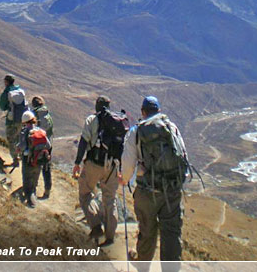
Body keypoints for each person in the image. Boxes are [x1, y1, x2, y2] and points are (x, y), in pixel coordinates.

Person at [120, 96, 188, 266]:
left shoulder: (136, 132)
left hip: (147, 191)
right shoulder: (171, 128)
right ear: (159, 110)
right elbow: (183, 158)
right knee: (171, 233)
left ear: (143, 112)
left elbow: (128, 163)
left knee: (147, 230)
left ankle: (143, 265)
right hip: (171, 191)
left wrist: (124, 179)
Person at [72, 96, 129, 247]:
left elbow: (84, 141)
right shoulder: (117, 122)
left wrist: (77, 163)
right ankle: (110, 237)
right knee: (110, 199)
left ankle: (96, 226)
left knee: (85, 193)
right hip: (112, 166)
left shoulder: (92, 120)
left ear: (97, 106)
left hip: (94, 163)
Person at [17, 110, 51, 208]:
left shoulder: (24, 132)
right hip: (39, 160)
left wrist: (18, 147)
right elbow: (48, 145)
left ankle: (31, 202)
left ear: (24, 121)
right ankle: (33, 195)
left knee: (27, 182)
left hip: (28, 160)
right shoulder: (40, 131)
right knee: (34, 181)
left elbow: (22, 147)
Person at [0, 74, 27, 167]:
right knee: (20, 138)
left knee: (11, 139)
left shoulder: (6, 92)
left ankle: (15, 159)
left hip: (11, 119)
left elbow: (2, 106)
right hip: (22, 118)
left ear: (6, 82)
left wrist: (8, 107)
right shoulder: (20, 91)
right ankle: (23, 157)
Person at [31, 96, 54, 199]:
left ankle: (32, 189)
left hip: (37, 143)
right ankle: (47, 190)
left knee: (33, 164)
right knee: (46, 166)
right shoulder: (47, 114)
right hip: (48, 143)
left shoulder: (34, 114)